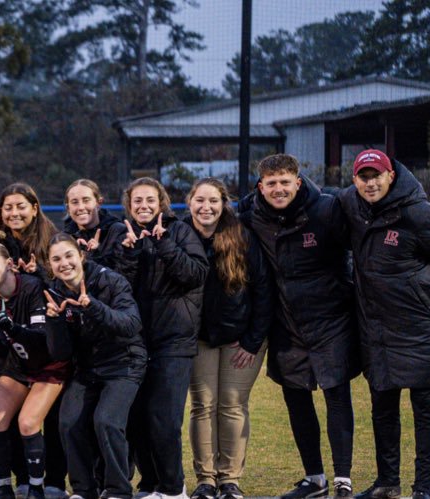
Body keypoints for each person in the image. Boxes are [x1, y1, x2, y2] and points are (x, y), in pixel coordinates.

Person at [338, 149, 430, 499]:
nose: (370, 183)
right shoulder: (350, 206)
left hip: (422, 331)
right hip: (377, 332)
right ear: (354, 180)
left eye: (376, 175)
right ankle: (387, 483)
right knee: (383, 411)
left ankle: (424, 490)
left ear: (391, 175)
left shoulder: (421, 214)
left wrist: (429, 293)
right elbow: (310, 197)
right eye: (363, 176)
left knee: (427, 413)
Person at [241, 153, 359, 499]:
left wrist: (345, 288)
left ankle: (343, 480)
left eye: (284, 182)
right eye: (271, 183)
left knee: (337, 395)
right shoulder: (250, 215)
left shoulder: (325, 209)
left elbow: (354, 248)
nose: (278, 189)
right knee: (296, 398)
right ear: (260, 187)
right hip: (285, 323)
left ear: (298, 181)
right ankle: (315, 479)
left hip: (330, 320)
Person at [100, 178, 207, 499]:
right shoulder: (120, 234)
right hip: (133, 343)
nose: (143, 206)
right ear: (128, 206)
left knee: (163, 420)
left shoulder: (179, 231)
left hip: (174, 341)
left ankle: (174, 488)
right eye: (137, 202)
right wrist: (129, 255)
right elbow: (113, 287)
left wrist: (164, 244)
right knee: (136, 420)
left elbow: (195, 274)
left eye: (150, 200)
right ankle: (150, 484)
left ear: (161, 202)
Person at [184, 179, 271, 499]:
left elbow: (263, 290)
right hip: (199, 339)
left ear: (224, 205)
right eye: (200, 200)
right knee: (203, 406)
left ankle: (230, 479)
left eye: (214, 201)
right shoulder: (180, 234)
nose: (206, 207)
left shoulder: (241, 235)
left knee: (232, 405)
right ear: (189, 202)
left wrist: (252, 340)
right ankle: (206, 479)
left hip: (240, 339)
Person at [0, 242, 70, 499]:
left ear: (9, 263)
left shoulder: (33, 287)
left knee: (27, 422)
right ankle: (3, 488)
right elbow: (2, 347)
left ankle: (36, 488)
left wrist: (13, 329)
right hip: (19, 365)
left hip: (49, 365)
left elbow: (43, 339)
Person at [44, 236, 144, 499]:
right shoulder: (53, 292)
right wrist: (53, 321)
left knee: (106, 421)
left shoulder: (109, 280)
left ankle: (118, 490)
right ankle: (84, 490)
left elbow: (131, 324)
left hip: (124, 362)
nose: (64, 263)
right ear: (50, 265)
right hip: (87, 369)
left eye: (68, 255)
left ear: (81, 256)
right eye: (56, 259)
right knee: (68, 422)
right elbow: (61, 352)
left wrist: (93, 306)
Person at [0, 183, 56, 276]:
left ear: (34, 209)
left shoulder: (53, 240)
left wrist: (38, 271)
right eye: (8, 208)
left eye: (21, 207)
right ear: (1, 211)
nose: (14, 213)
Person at [60, 179, 122, 266]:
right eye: (75, 202)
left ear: (98, 203)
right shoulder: (64, 239)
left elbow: (123, 274)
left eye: (86, 200)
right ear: (68, 208)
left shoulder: (117, 232)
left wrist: (95, 254)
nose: (81, 207)